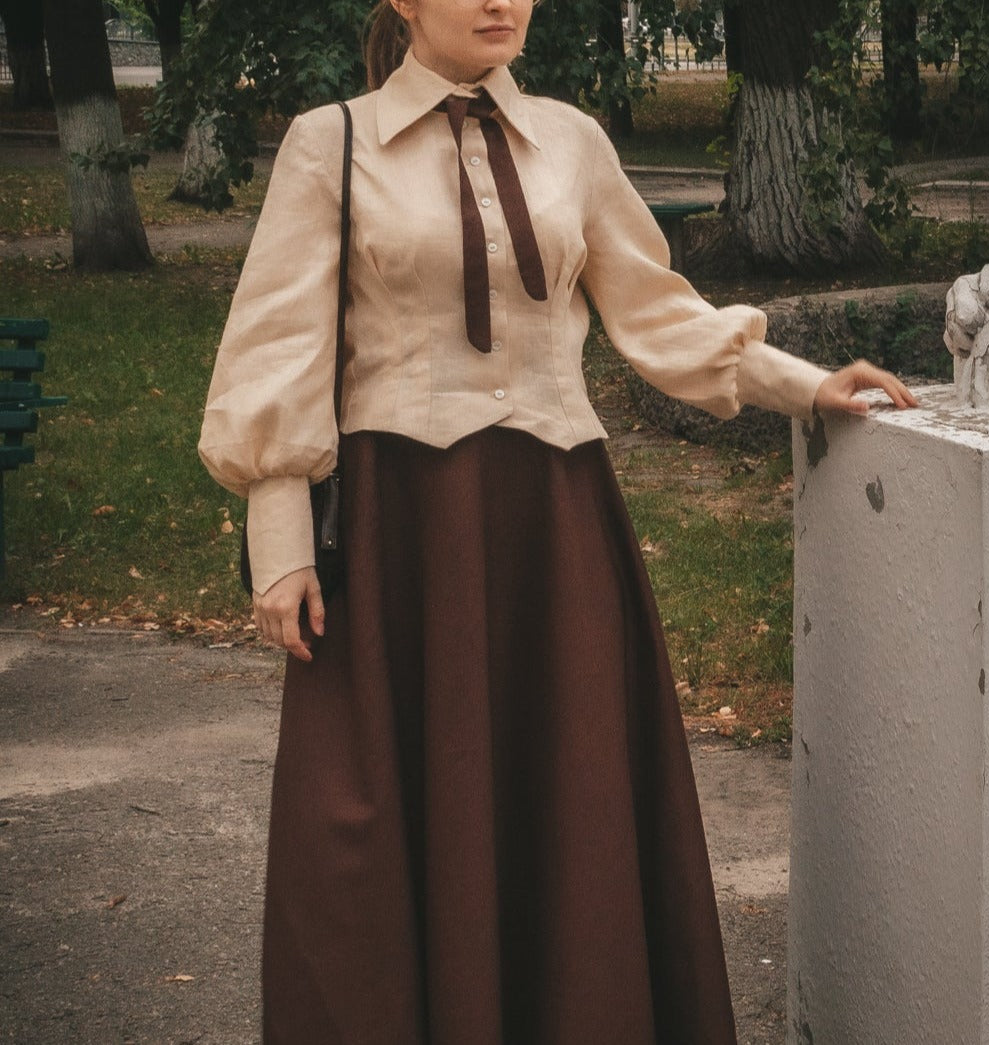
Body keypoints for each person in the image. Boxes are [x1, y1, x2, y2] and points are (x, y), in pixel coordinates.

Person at [199, 1, 918, 1041]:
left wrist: (803, 384)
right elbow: (279, 348)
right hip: (402, 538)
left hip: (555, 529)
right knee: (376, 825)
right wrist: (277, 545)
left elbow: (654, 308)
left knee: (566, 796)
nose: (501, 2)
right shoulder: (331, 142)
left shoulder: (570, 141)